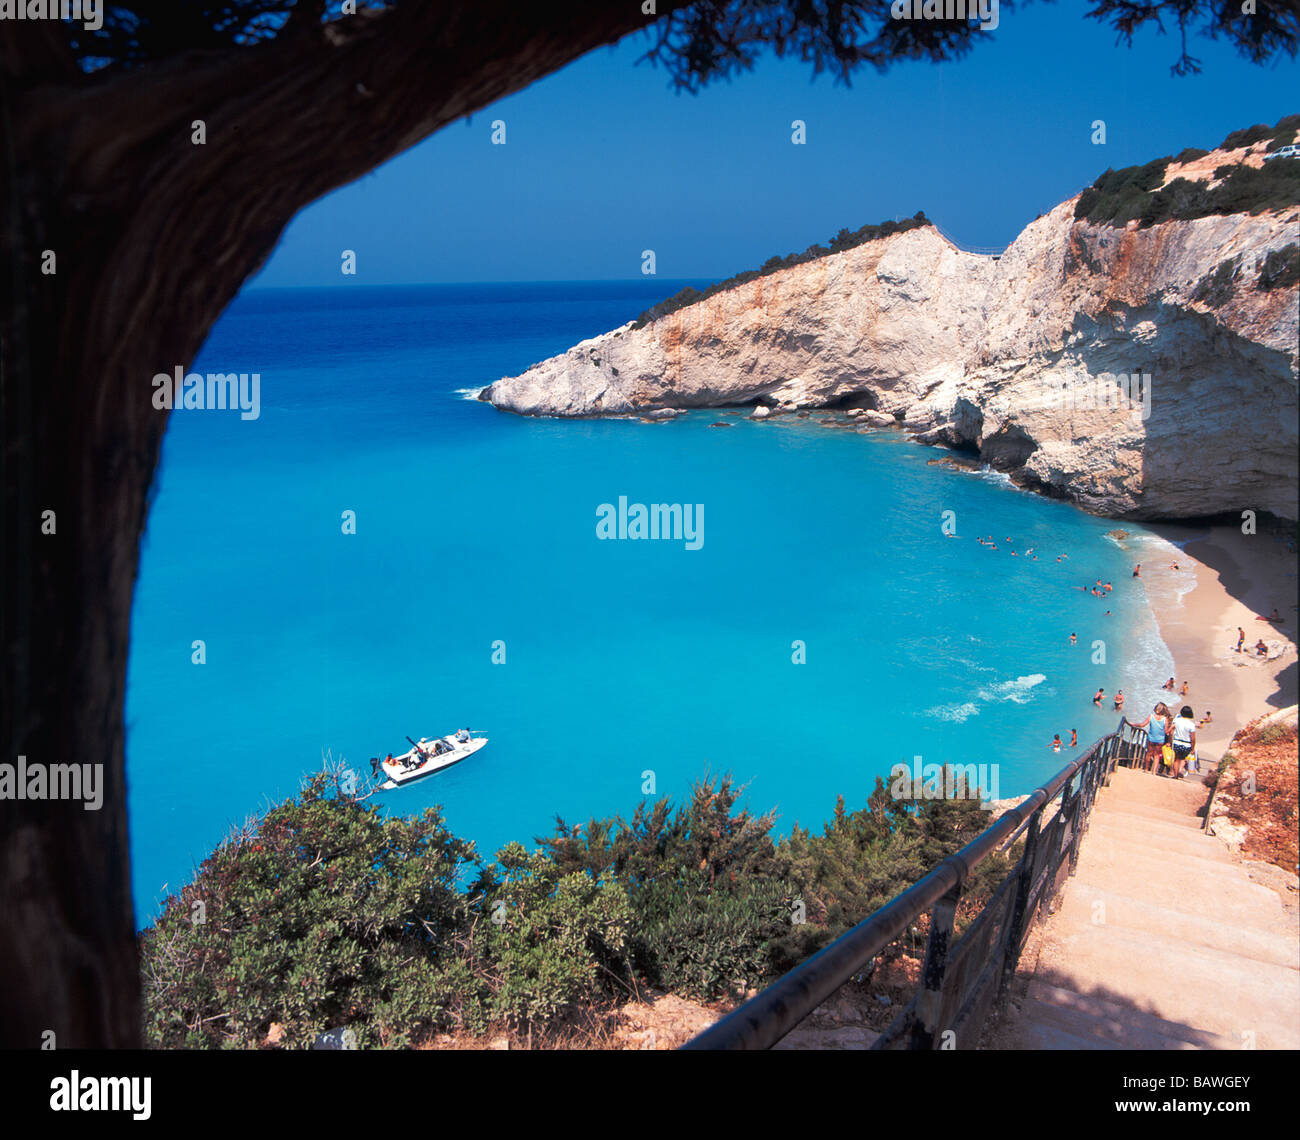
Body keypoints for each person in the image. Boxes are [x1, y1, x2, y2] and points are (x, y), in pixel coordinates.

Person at [1127, 704, 1170, 773]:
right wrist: (1171, 728)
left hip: (1151, 738)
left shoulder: (1151, 716)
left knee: (1149, 753)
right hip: (1160, 740)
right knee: (1156, 755)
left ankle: (1146, 769)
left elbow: (1142, 725)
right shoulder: (1165, 719)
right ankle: (1154, 772)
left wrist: (1134, 724)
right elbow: (1166, 731)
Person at [1170, 706, 1196, 779]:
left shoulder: (1177, 721)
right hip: (1187, 744)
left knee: (1176, 759)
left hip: (1177, 742)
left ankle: (1175, 775)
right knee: (1183, 758)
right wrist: (1193, 748)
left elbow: (1171, 730)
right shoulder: (1191, 725)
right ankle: (1180, 770)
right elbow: (1193, 738)